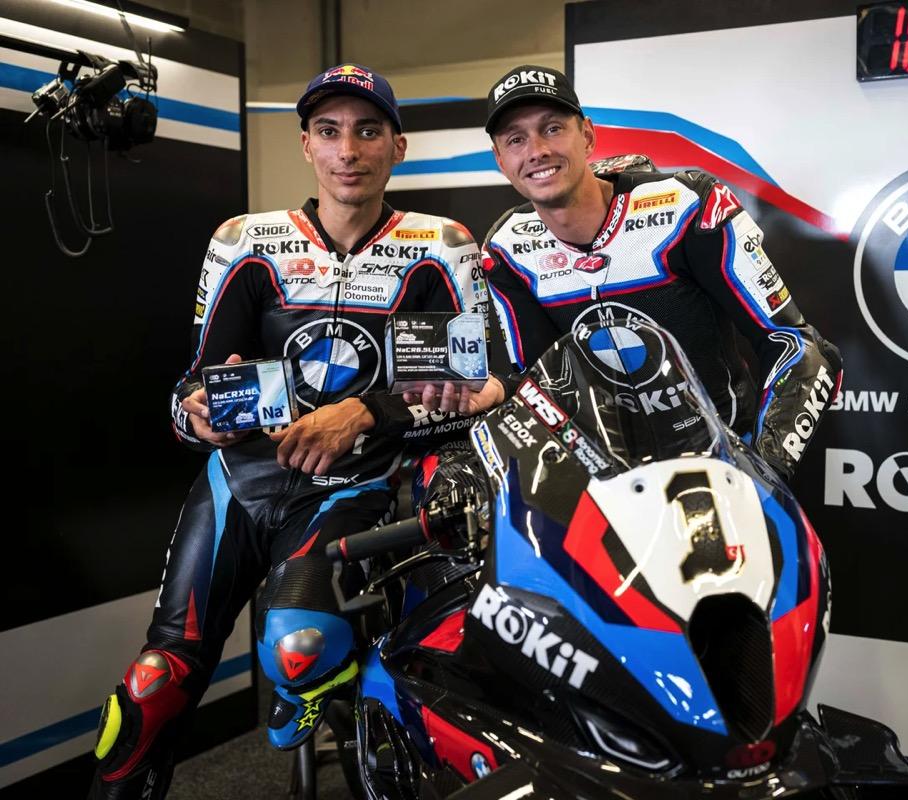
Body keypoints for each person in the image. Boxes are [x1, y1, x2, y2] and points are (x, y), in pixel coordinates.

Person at [89, 64, 486, 800]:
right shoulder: (245, 240)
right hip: (239, 481)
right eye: (329, 132)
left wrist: (367, 412)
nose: (348, 151)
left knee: (301, 644)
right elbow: (191, 388)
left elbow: (481, 389)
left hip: (355, 484)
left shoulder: (444, 245)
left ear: (398, 147)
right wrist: (198, 415)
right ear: (306, 145)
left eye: (368, 132)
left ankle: (322, 695)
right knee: (155, 681)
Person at [420, 65, 841, 482]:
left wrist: (762, 471)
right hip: (609, 484)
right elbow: (544, 384)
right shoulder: (507, 247)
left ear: (587, 136)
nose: (537, 151)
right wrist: (499, 390)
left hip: (724, 463)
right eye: (516, 139)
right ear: (500, 160)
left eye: (552, 129)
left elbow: (800, 347)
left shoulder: (688, 204)